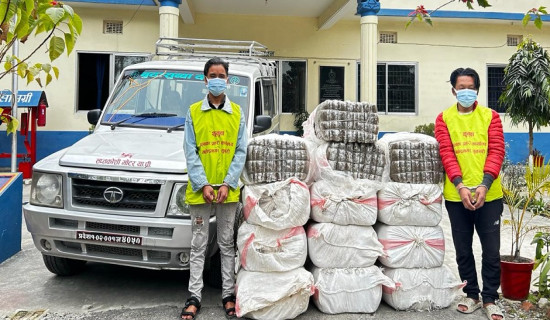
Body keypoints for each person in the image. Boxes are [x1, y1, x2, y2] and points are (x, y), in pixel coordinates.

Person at [435, 67, 506, 320]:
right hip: (457, 196)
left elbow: (496, 151)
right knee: (463, 248)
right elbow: (447, 153)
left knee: (491, 250)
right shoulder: (444, 118)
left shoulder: (491, 116)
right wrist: (460, 185)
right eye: (461, 87)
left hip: (490, 194)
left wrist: (484, 185)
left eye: (470, 87)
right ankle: (472, 294)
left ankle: (490, 298)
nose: (466, 91)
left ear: (477, 89)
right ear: (453, 90)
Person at [181, 57, 247, 320]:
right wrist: (204, 183)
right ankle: (194, 296)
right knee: (198, 244)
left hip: (228, 190)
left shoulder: (237, 113)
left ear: (227, 79)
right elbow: (190, 150)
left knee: (226, 243)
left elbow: (240, 151)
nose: (217, 79)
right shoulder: (194, 111)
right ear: (205, 79)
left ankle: (228, 295)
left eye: (221, 74)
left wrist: (228, 182)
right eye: (212, 74)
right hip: (201, 190)